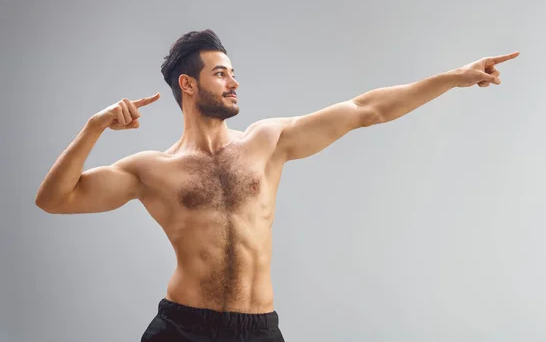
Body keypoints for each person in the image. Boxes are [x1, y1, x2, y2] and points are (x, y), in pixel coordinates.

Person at [35, 29, 519, 341]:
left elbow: (366, 109)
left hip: (258, 329)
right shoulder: (151, 168)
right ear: (188, 84)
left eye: (233, 73)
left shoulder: (266, 141)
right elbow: (54, 200)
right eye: (220, 73)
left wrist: (455, 77)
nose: (233, 83)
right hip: (182, 328)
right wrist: (94, 127)